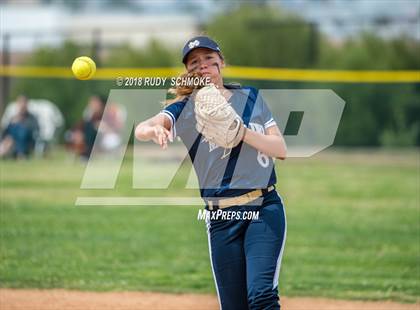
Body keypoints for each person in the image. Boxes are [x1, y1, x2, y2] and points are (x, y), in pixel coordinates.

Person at [135, 36, 287, 309]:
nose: (202, 65)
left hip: (263, 208)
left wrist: (241, 132)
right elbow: (143, 127)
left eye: (208, 59)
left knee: (261, 297)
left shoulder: (250, 97)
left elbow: (281, 149)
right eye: (194, 62)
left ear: (221, 62)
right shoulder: (185, 109)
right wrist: (154, 129)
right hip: (220, 217)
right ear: (189, 71)